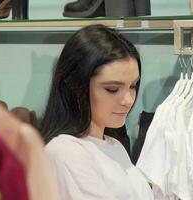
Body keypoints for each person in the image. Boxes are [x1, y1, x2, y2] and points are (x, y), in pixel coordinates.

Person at [41, 24, 154, 200]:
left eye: (132, 86)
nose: (128, 100)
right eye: (112, 89)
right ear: (77, 87)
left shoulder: (114, 146)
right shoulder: (66, 152)